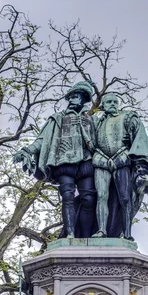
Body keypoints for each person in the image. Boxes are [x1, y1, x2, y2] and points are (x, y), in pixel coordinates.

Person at [13, 81, 97, 238]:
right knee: (67, 198)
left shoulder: (92, 120)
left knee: (89, 199)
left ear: (83, 99)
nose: (72, 100)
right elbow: (42, 140)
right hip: (64, 163)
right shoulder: (57, 118)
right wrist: (27, 150)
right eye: (71, 97)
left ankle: (85, 236)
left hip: (86, 162)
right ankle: (70, 233)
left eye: (76, 97)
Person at [92, 93, 148, 240]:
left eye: (115, 102)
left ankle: (127, 233)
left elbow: (139, 138)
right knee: (101, 196)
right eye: (108, 102)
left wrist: (141, 164)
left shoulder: (128, 117)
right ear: (103, 105)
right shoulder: (96, 122)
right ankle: (101, 230)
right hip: (100, 160)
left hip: (121, 158)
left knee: (125, 198)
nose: (112, 104)